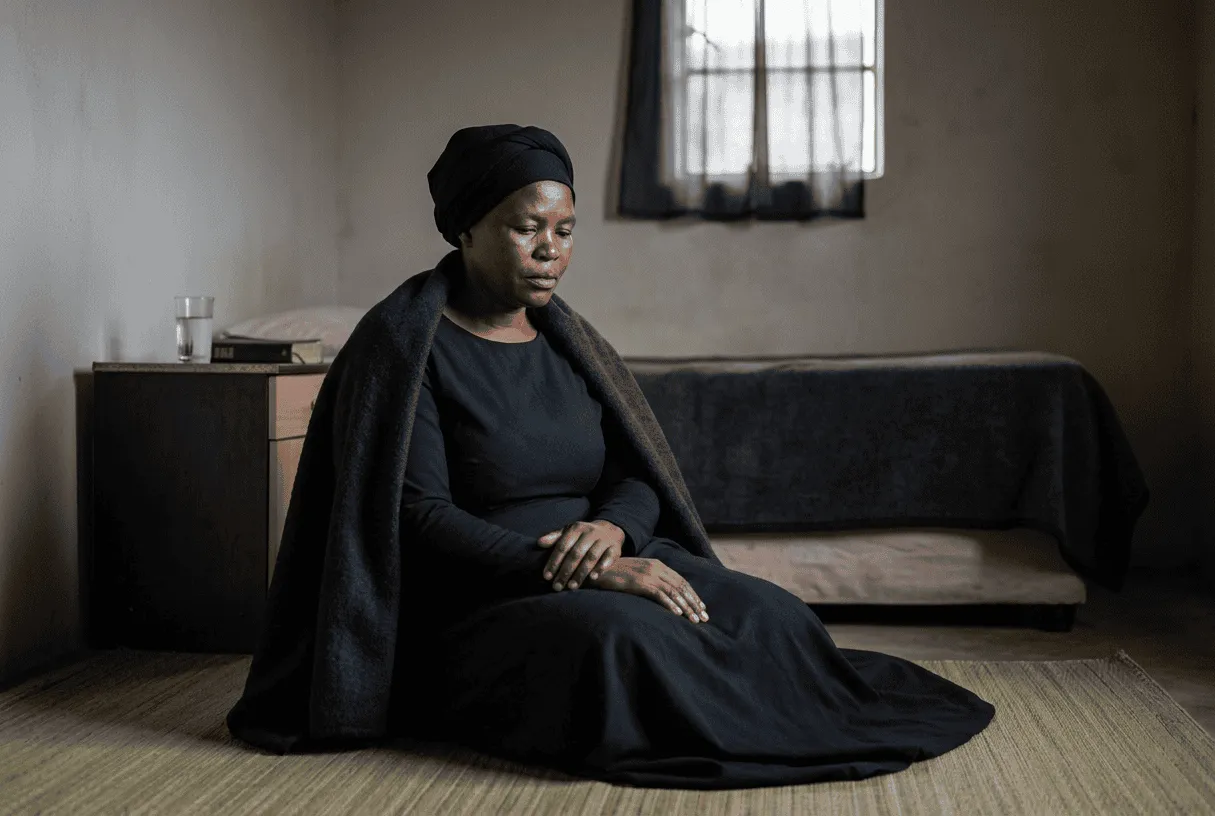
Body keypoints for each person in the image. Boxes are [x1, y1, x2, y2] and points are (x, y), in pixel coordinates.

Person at [226, 124, 995, 790]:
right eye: (527, 228)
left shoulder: (568, 344)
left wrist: (614, 533)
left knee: (773, 614)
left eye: (565, 231)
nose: (550, 251)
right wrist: (581, 570)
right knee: (624, 642)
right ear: (465, 229)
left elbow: (634, 473)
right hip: (481, 597)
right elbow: (418, 517)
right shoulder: (404, 348)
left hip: (606, 552)